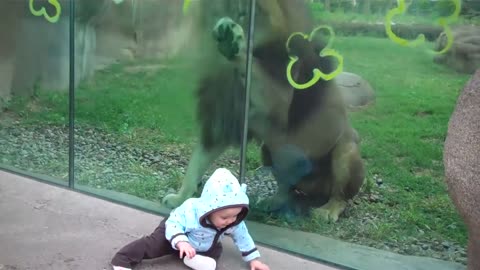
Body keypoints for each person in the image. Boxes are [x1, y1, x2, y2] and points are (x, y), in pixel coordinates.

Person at [111, 168, 270, 270]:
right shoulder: (191, 210)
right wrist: (181, 242)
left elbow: (243, 237)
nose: (231, 220)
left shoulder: (232, 221)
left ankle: (192, 258)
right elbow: (174, 223)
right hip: (176, 230)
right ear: (209, 210)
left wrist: (253, 260)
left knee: (215, 250)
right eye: (224, 217)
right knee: (153, 245)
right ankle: (122, 259)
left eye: (236, 215)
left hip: (201, 243)